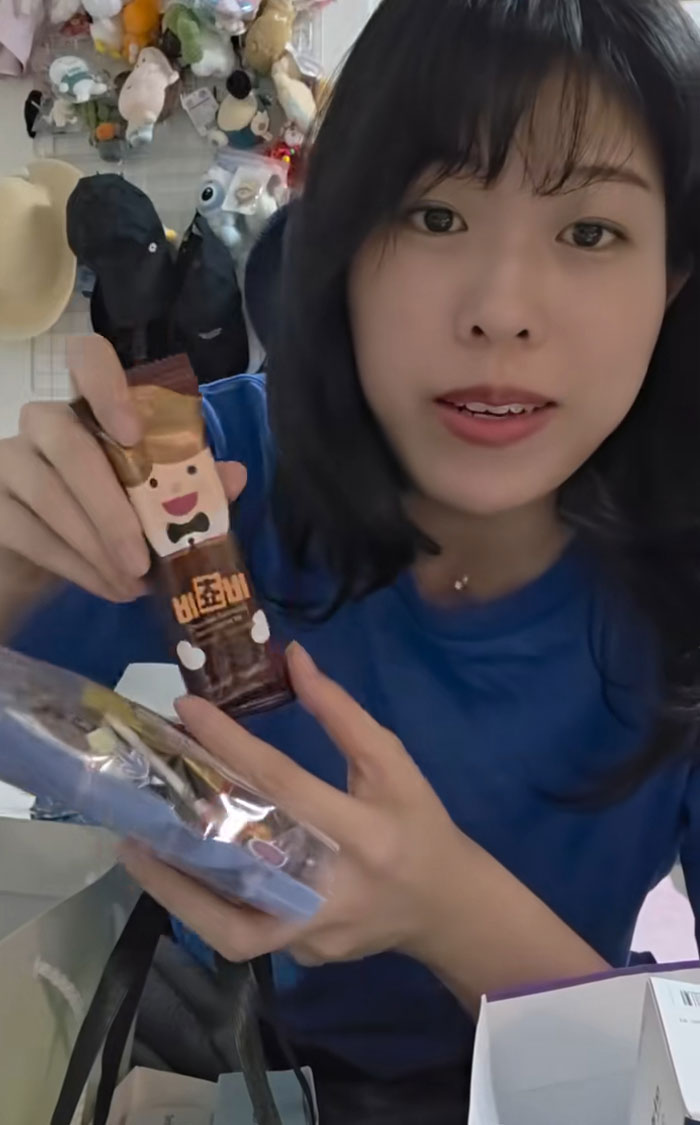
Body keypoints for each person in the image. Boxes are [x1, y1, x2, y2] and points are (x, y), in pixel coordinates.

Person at [3, 0, 700, 1118]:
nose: (499, 312)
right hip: (198, 1049)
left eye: (588, 233)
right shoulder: (206, 474)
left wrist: (443, 910)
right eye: (432, 215)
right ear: (342, 254)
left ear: (672, 281)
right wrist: (15, 562)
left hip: (552, 1071)